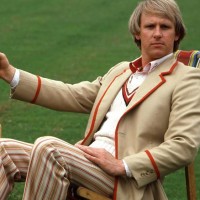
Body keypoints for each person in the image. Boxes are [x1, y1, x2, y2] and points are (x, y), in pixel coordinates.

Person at [0, 0, 200, 199]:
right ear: (138, 33)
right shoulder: (121, 71)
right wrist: (10, 73)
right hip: (88, 161)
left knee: (48, 148)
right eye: (150, 26)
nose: (157, 33)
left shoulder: (187, 78)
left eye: (165, 27)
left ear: (177, 34)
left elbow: (183, 145)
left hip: (127, 182)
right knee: (2, 150)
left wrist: (123, 165)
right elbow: (73, 95)